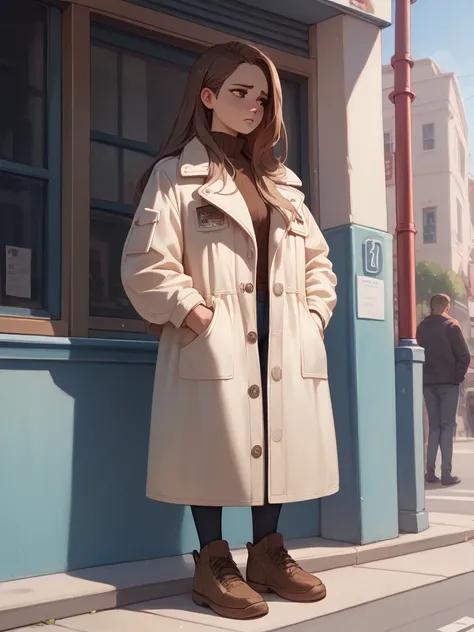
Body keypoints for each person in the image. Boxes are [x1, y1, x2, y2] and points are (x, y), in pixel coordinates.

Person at [121, 41, 338, 620]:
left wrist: (313, 318)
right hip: (217, 336)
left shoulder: (282, 183)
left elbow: (319, 264)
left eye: (263, 97)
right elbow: (146, 263)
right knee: (211, 447)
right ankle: (212, 562)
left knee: (276, 439)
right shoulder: (176, 176)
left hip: (282, 335)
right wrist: (196, 313)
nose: (253, 106)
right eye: (240, 92)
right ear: (208, 95)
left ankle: (267, 553)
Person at [416, 293, 471, 486]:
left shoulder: (422, 327)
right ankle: (446, 473)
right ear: (447, 307)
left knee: (434, 427)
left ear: (432, 306)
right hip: (448, 384)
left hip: (428, 384)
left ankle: (429, 472)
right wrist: (457, 376)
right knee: (447, 427)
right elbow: (465, 356)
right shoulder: (452, 326)